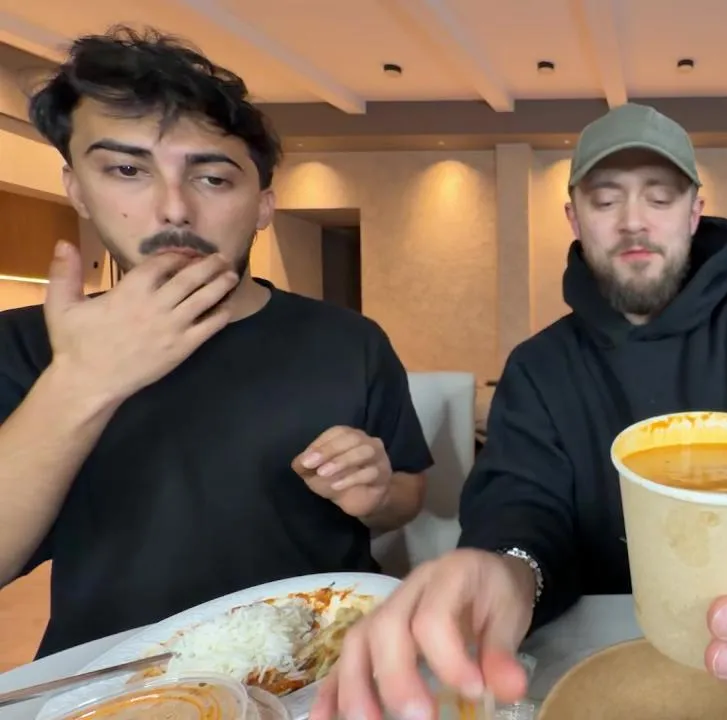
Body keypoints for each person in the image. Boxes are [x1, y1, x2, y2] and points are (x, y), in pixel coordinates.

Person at [312, 103, 727, 720]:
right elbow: (519, 507)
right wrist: (509, 570)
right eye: (606, 200)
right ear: (575, 218)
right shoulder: (540, 365)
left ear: (695, 212)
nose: (634, 221)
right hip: (591, 661)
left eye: (659, 197)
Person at [0, 26, 432, 656]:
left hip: (319, 660)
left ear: (263, 205)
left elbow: (406, 495)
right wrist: (81, 382)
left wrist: (377, 493)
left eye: (212, 179)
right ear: (78, 190)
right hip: (122, 675)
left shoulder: (349, 339)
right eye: (127, 170)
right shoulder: (25, 345)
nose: (173, 209)